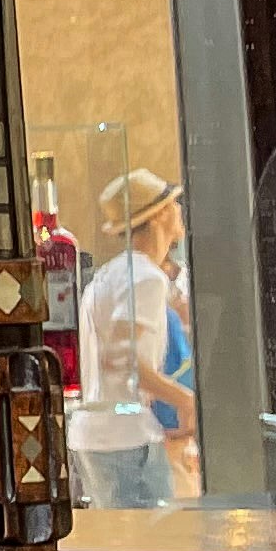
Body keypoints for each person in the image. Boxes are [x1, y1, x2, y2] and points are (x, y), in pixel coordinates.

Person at [72, 168, 198, 509]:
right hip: (125, 440)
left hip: (100, 435)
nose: (179, 210)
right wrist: (187, 402)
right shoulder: (146, 278)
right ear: (159, 216)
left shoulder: (109, 275)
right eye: (174, 204)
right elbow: (122, 361)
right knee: (156, 549)